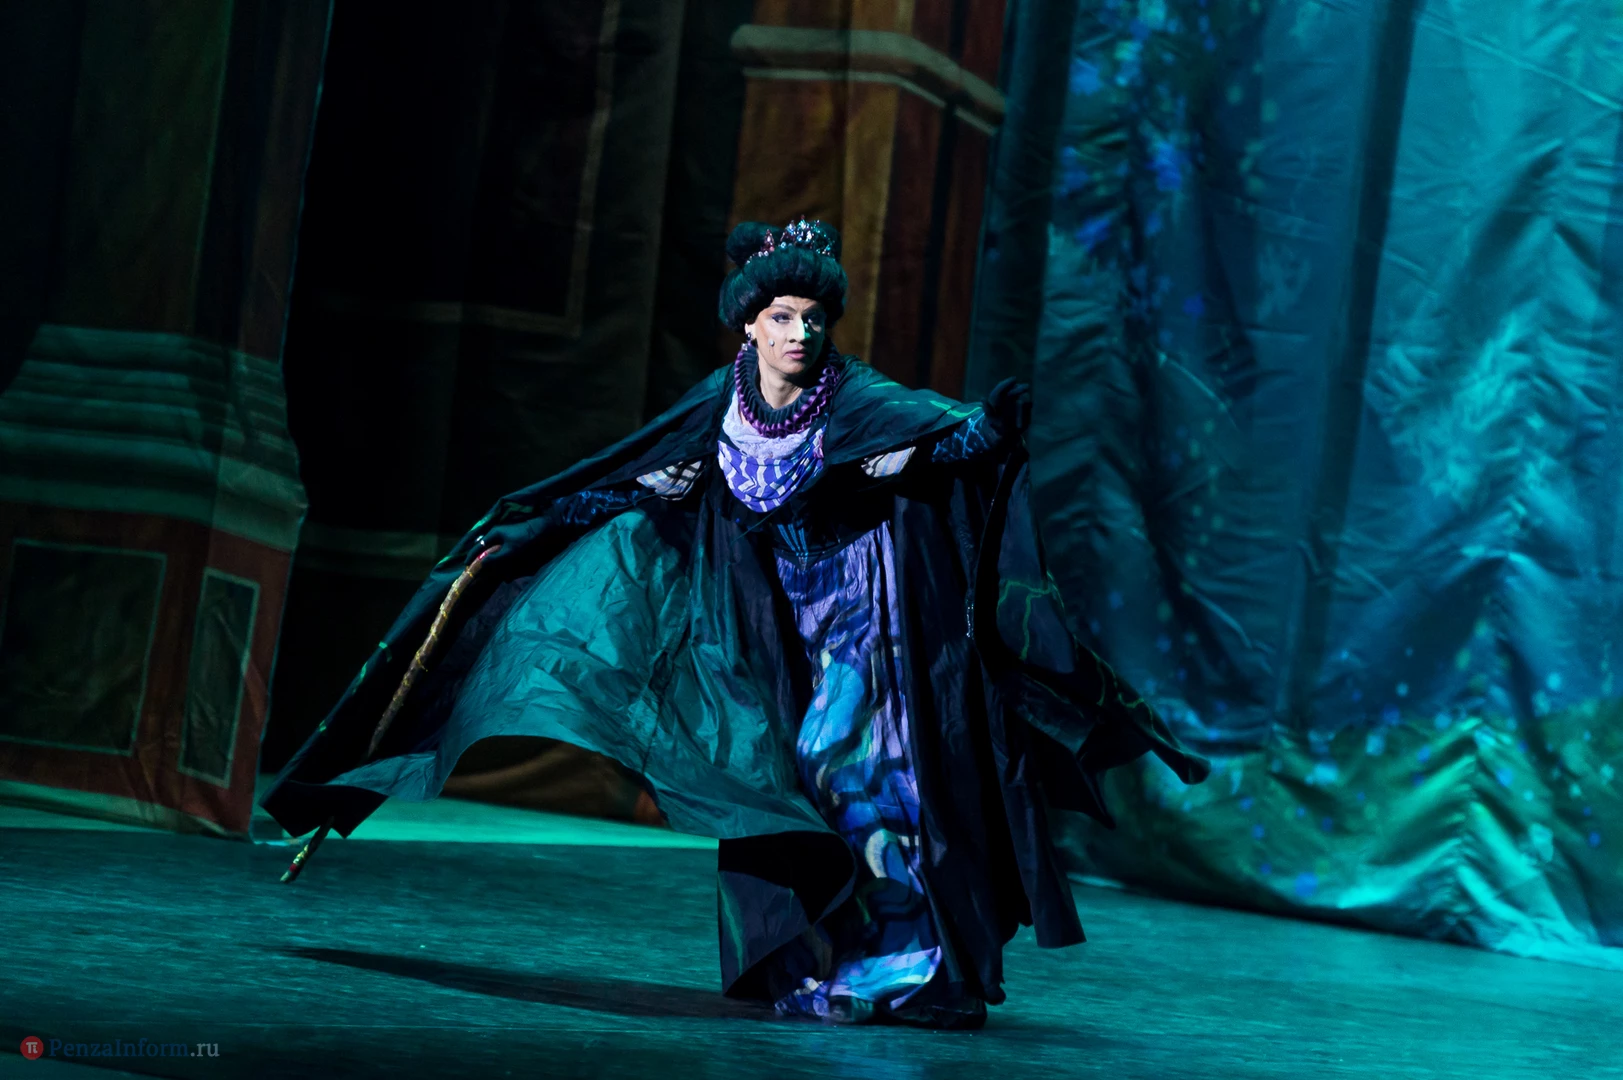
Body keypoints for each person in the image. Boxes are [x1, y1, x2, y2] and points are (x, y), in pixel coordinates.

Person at [260, 218, 1209, 1029]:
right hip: (773, 622)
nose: (801, 332)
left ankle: (921, 974)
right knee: (787, 780)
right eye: (783, 316)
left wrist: (988, 431)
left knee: (859, 768)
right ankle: (829, 959)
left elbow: (932, 443)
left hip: (868, 612)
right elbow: (632, 482)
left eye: (814, 317)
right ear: (749, 323)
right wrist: (533, 531)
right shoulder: (720, 407)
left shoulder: (856, 399)